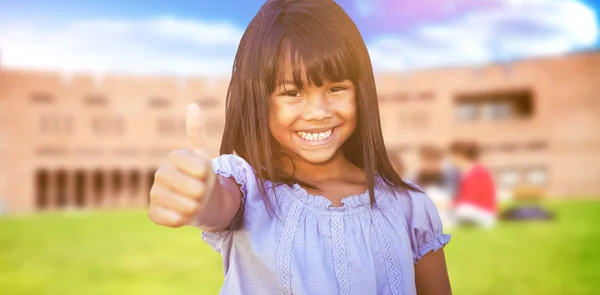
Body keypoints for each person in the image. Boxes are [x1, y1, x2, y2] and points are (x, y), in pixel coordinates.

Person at [148, 1, 452, 294]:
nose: (318, 112)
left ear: (361, 92)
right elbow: (218, 202)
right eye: (292, 92)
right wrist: (201, 196)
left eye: (336, 89)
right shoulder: (250, 192)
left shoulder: (408, 207)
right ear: (258, 101)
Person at [447, 140, 497, 229]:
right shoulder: (463, 173)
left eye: (453, 155)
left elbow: (468, 200)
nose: (451, 159)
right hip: (470, 211)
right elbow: (460, 198)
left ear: (460, 156)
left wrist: (448, 204)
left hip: (483, 215)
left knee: (462, 210)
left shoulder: (479, 172)